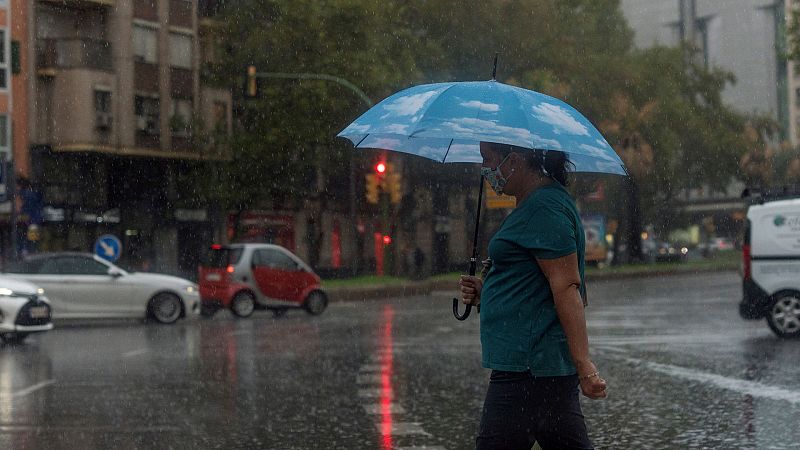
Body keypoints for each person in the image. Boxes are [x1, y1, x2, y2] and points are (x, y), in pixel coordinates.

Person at [459, 142, 607, 450]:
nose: (485, 169)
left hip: (529, 371)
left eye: (488, 160)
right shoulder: (535, 204)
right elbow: (532, 285)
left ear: (513, 160)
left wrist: (584, 364)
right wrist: (487, 293)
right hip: (534, 370)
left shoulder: (544, 208)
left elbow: (566, 286)